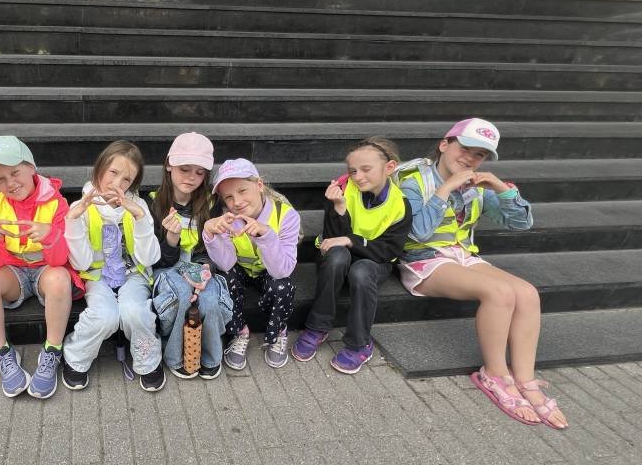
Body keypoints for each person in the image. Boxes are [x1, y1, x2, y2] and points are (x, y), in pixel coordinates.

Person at [397, 118, 567, 429]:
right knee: (499, 293)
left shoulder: (475, 186)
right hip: (422, 260)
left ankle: (525, 379)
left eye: (480, 155)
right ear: (444, 144)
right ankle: (495, 375)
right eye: (465, 149)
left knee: (527, 293)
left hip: (462, 256)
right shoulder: (414, 180)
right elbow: (418, 233)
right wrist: (446, 188)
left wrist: (502, 190)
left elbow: (520, 224)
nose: (470, 159)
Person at [0, 136, 79, 399]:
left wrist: (50, 235)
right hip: (12, 273)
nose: (10, 183)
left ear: (31, 167)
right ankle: (2, 352)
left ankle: (52, 350)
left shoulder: (56, 202)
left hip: (46, 270)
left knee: (60, 278)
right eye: (1, 179)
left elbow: (61, 258)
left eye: (15, 173)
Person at [292, 138, 412, 374]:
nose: (358, 176)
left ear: (389, 167)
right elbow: (330, 239)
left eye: (366, 169)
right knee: (337, 257)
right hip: (338, 258)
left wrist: (351, 240)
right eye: (353, 171)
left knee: (362, 270)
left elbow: (390, 250)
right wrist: (338, 207)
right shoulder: (343, 190)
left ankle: (360, 343)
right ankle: (318, 327)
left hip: (373, 262)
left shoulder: (400, 205)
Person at [62, 140, 163, 392]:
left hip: (134, 274)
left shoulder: (138, 206)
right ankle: (75, 357)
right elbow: (81, 263)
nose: (117, 183)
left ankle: (148, 361)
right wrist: (73, 221)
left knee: (134, 312)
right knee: (104, 317)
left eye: (126, 179)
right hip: (97, 275)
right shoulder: (81, 207)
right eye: (113, 172)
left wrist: (139, 218)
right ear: (99, 168)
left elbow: (150, 258)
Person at [203, 159, 301, 369]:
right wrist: (211, 235)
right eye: (229, 197)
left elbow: (282, 270)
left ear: (259, 185)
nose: (237, 202)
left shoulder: (286, 215)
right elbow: (226, 263)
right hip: (241, 269)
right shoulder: (226, 218)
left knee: (283, 286)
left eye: (242, 190)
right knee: (224, 279)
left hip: (272, 270)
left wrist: (266, 235)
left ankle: (278, 331)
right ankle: (240, 331)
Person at [150, 132, 232, 380]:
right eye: (184, 169)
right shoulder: (153, 203)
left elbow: (211, 251)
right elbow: (156, 260)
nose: (191, 177)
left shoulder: (211, 203)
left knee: (208, 300)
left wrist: (204, 270)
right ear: (168, 165)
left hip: (200, 267)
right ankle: (175, 357)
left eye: (199, 172)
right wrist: (171, 239)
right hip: (167, 269)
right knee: (183, 294)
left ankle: (211, 357)